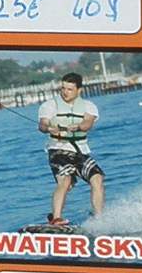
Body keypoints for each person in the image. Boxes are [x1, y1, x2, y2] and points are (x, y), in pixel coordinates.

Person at [37, 71, 105, 226]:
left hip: (80, 151)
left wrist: (79, 126)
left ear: (79, 90)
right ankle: (56, 218)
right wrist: (49, 128)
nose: (65, 92)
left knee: (97, 178)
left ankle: (99, 219)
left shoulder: (89, 106)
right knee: (65, 180)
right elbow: (42, 124)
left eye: (69, 89)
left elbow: (88, 123)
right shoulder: (49, 105)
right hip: (58, 150)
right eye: (63, 88)